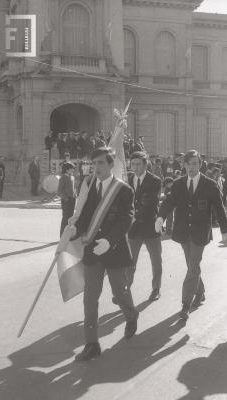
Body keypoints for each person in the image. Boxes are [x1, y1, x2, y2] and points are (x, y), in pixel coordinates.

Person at [70, 147, 139, 361]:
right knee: (90, 298)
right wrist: (74, 229)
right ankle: (92, 344)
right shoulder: (90, 187)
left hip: (114, 249)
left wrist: (109, 240)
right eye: (93, 163)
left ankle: (131, 315)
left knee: (120, 292)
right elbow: (85, 217)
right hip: (93, 251)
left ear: (111, 165)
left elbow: (126, 219)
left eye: (101, 163)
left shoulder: (124, 190)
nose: (96, 168)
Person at [155, 149, 227, 321]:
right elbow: (169, 201)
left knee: (193, 265)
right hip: (183, 231)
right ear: (184, 165)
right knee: (192, 266)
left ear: (200, 165)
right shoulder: (179, 183)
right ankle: (201, 292)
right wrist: (160, 217)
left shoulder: (210, 184)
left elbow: (218, 207)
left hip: (200, 232)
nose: (191, 167)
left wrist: (225, 229)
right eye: (188, 164)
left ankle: (185, 304)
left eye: (195, 163)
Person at [127, 151, 162, 302]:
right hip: (133, 229)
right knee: (129, 261)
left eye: (138, 164)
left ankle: (156, 289)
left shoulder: (154, 180)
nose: (135, 167)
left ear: (145, 164)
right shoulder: (127, 179)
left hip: (150, 226)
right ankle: (125, 289)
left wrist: (134, 217)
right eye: (132, 164)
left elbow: (150, 203)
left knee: (156, 260)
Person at [57, 162, 77, 237]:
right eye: (72, 169)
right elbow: (59, 191)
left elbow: (74, 188)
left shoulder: (72, 177)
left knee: (70, 218)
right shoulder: (63, 178)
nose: (73, 170)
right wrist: (66, 199)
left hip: (72, 200)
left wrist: (75, 195)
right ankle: (62, 235)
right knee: (65, 218)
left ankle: (67, 234)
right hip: (66, 201)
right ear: (67, 169)